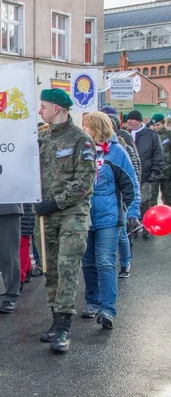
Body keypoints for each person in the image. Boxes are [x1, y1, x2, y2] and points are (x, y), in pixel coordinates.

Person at [35, 88, 96, 353]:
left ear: (57, 109)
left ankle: (63, 327)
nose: (40, 111)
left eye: (44, 106)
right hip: (45, 216)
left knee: (67, 266)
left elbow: (84, 182)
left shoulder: (80, 140)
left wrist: (56, 202)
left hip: (72, 214)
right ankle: (54, 319)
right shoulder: (42, 138)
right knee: (50, 268)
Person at [80, 112, 140, 330]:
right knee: (87, 262)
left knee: (105, 260)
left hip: (109, 216)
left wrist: (132, 212)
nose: (83, 128)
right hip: (85, 216)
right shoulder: (83, 149)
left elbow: (131, 184)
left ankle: (107, 309)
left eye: (86, 126)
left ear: (97, 127)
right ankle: (92, 301)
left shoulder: (116, 152)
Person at [101, 106, 142, 277]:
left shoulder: (123, 144)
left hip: (120, 197)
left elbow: (134, 168)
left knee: (121, 232)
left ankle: (125, 262)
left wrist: (132, 197)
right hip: (103, 200)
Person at [125, 110, 165, 239]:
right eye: (128, 120)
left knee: (146, 203)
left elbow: (158, 154)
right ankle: (133, 228)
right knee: (130, 202)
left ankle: (148, 227)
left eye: (132, 119)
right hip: (129, 176)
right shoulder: (125, 135)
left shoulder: (151, 135)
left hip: (146, 175)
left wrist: (156, 171)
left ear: (139, 120)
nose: (129, 122)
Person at [149, 114, 171, 205]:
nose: (155, 127)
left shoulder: (168, 135)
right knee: (152, 197)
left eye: (158, 125)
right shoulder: (151, 135)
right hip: (154, 171)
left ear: (163, 123)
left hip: (167, 170)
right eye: (154, 125)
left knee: (167, 196)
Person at [19, 203, 35, 290]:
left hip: (25, 206)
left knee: (22, 240)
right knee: (18, 242)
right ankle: (27, 268)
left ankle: (20, 277)